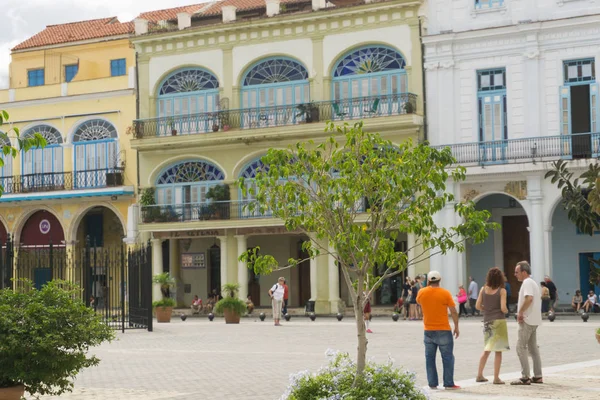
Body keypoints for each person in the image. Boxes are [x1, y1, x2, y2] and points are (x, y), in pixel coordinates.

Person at [416, 270, 460, 390]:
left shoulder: (422, 292)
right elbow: (453, 311)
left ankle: (432, 383)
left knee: (430, 358)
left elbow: (419, 302)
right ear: (440, 281)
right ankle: (449, 383)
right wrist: (456, 326)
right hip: (443, 329)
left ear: (428, 281)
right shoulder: (445, 293)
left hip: (428, 330)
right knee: (448, 357)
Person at [475, 267, 510, 385]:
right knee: (498, 351)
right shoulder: (502, 291)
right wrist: (507, 311)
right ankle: (496, 378)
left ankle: (479, 374)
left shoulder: (483, 289)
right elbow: (503, 308)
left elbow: (477, 306)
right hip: (499, 322)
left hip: (487, 321)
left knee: (487, 349)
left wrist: (486, 308)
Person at [511, 261, 543, 385]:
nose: (515, 274)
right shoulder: (533, 282)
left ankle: (525, 376)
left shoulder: (527, 282)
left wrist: (520, 312)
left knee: (520, 347)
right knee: (533, 348)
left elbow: (529, 298)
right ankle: (538, 375)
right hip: (534, 320)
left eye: (517, 272)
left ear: (524, 272)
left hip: (527, 320)